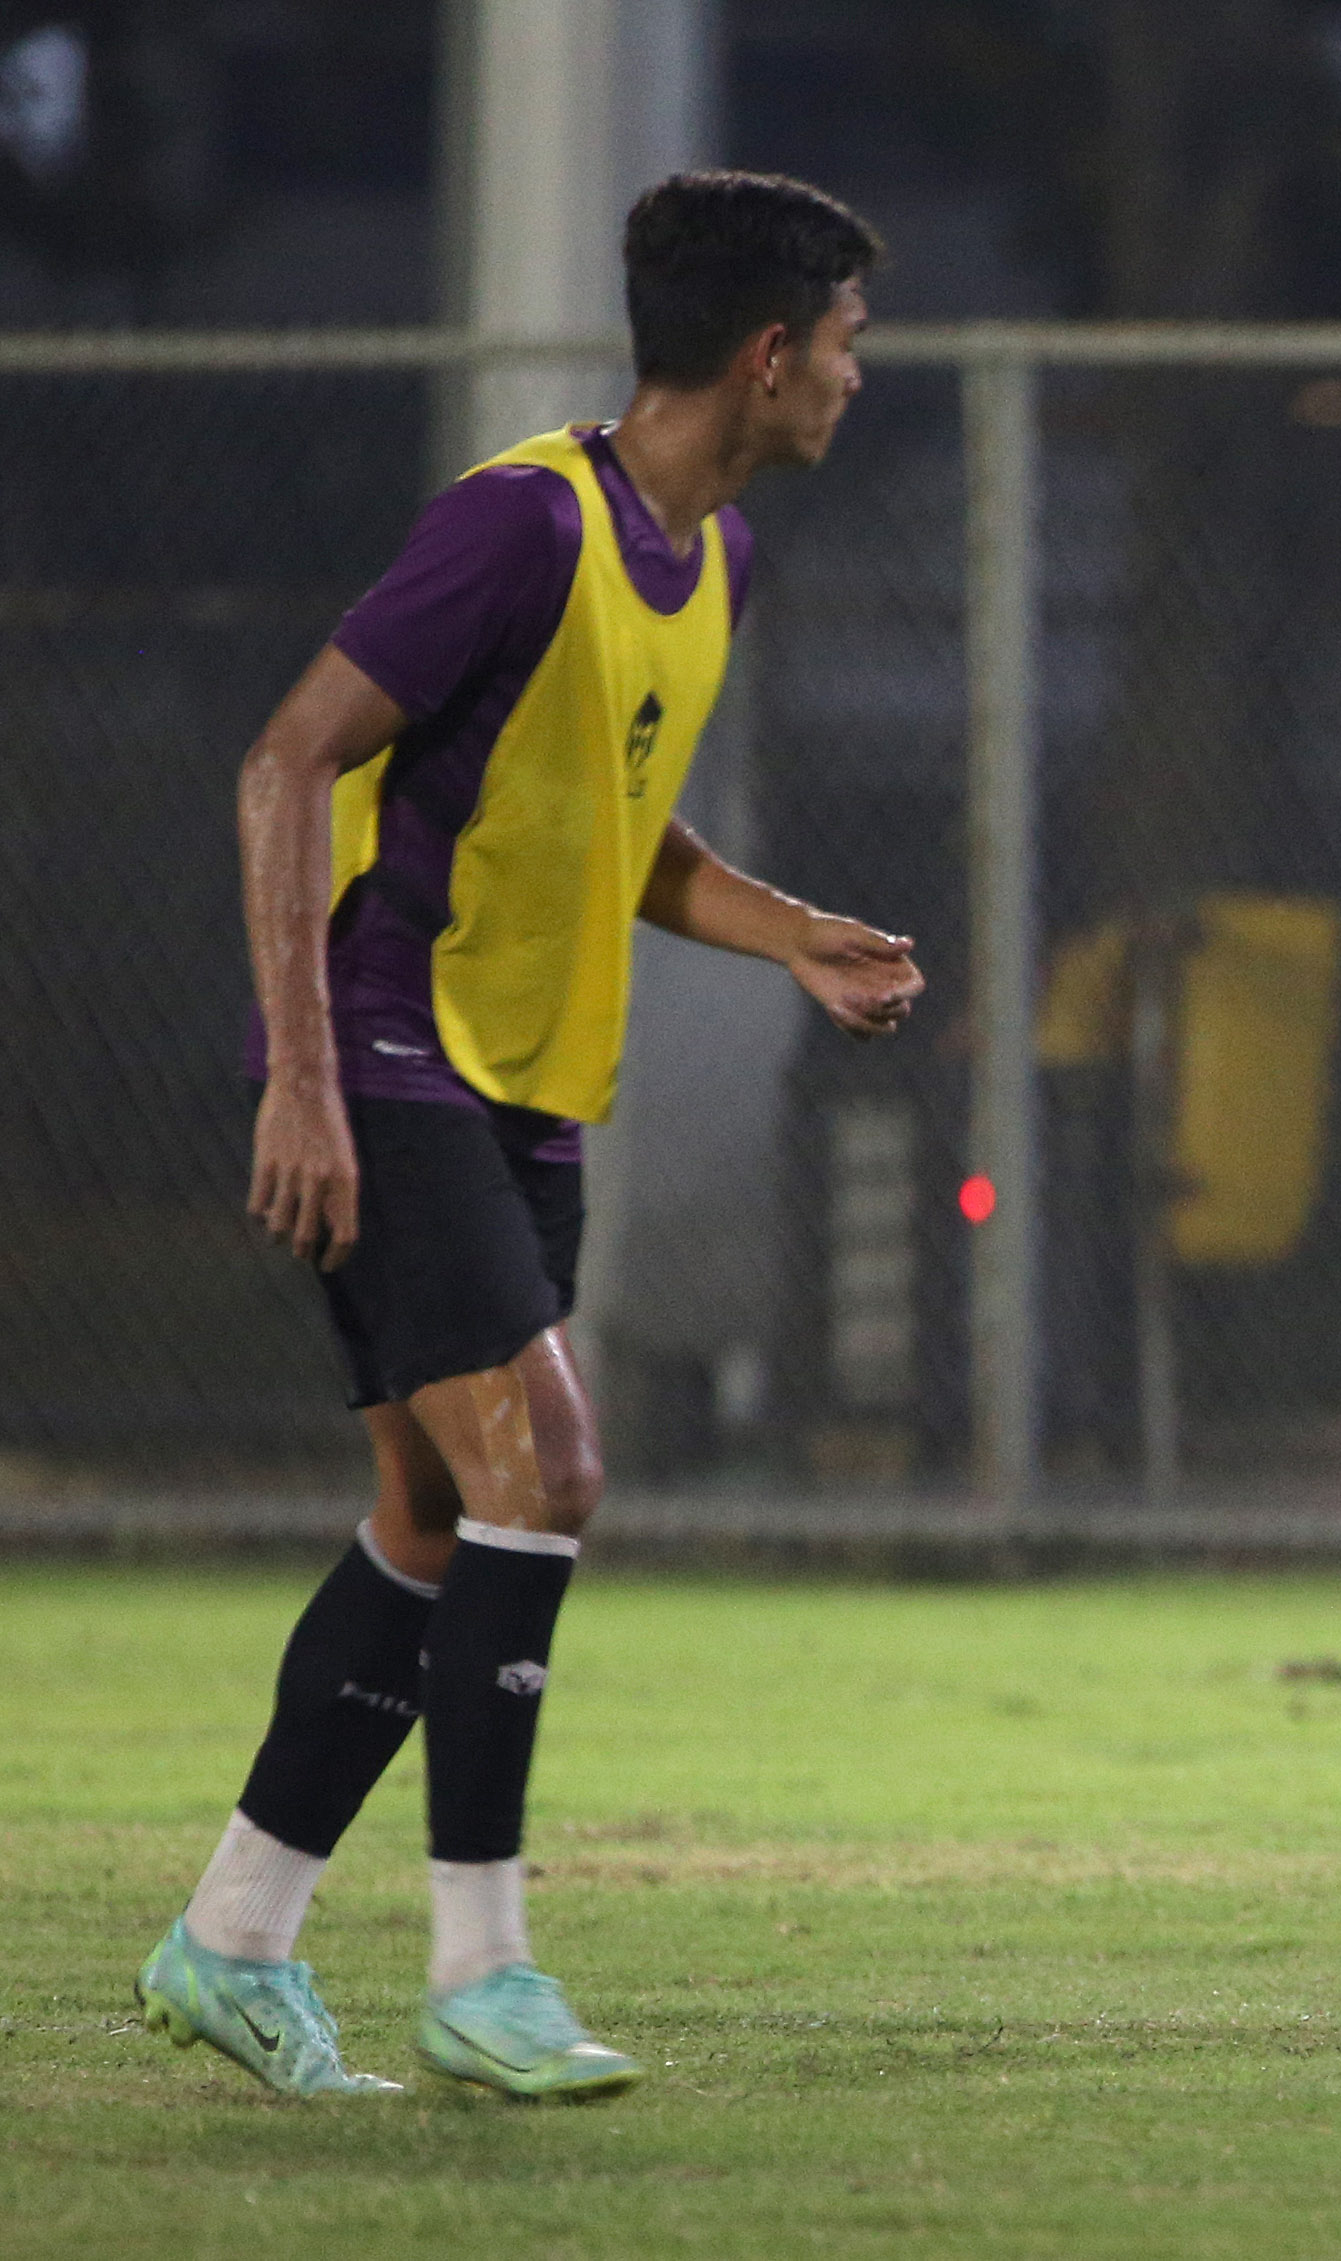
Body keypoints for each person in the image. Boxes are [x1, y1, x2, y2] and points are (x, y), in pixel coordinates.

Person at [137, 170, 918, 2101]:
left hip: (523, 1085)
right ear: (765, 356)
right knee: (550, 1464)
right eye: (845, 345)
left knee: (434, 1514)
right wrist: (305, 1078)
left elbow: (608, 826)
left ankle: (231, 1935)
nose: (853, 378)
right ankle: (485, 1965)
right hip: (390, 1052)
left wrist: (785, 926)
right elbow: (286, 756)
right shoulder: (518, 524)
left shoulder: (711, 559)